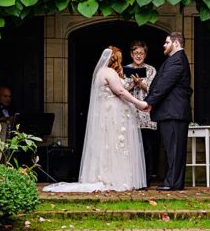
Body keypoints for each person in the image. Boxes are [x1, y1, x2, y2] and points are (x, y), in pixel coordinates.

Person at [44, 47, 148, 192]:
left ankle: (109, 175)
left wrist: (132, 85)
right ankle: (114, 178)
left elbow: (119, 89)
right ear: (115, 59)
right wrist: (139, 103)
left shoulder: (100, 72)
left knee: (108, 145)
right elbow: (119, 91)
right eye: (120, 58)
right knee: (115, 145)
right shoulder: (109, 72)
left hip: (108, 114)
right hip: (113, 116)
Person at [144, 32, 192, 191]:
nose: (164, 46)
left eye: (166, 42)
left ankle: (173, 183)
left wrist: (148, 102)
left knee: (175, 149)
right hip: (172, 112)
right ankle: (173, 182)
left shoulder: (177, 61)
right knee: (172, 149)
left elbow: (164, 85)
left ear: (176, 44)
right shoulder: (175, 60)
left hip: (174, 112)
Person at [123, 41, 159, 184]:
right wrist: (133, 84)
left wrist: (141, 84)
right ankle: (131, 178)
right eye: (136, 53)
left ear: (145, 54)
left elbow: (154, 90)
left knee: (147, 147)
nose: (138, 56)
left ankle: (147, 178)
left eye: (141, 53)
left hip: (146, 114)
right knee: (130, 146)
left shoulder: (151, 70)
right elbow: (121, 89)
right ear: (131, 54)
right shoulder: (125, 69)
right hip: (130, 112)